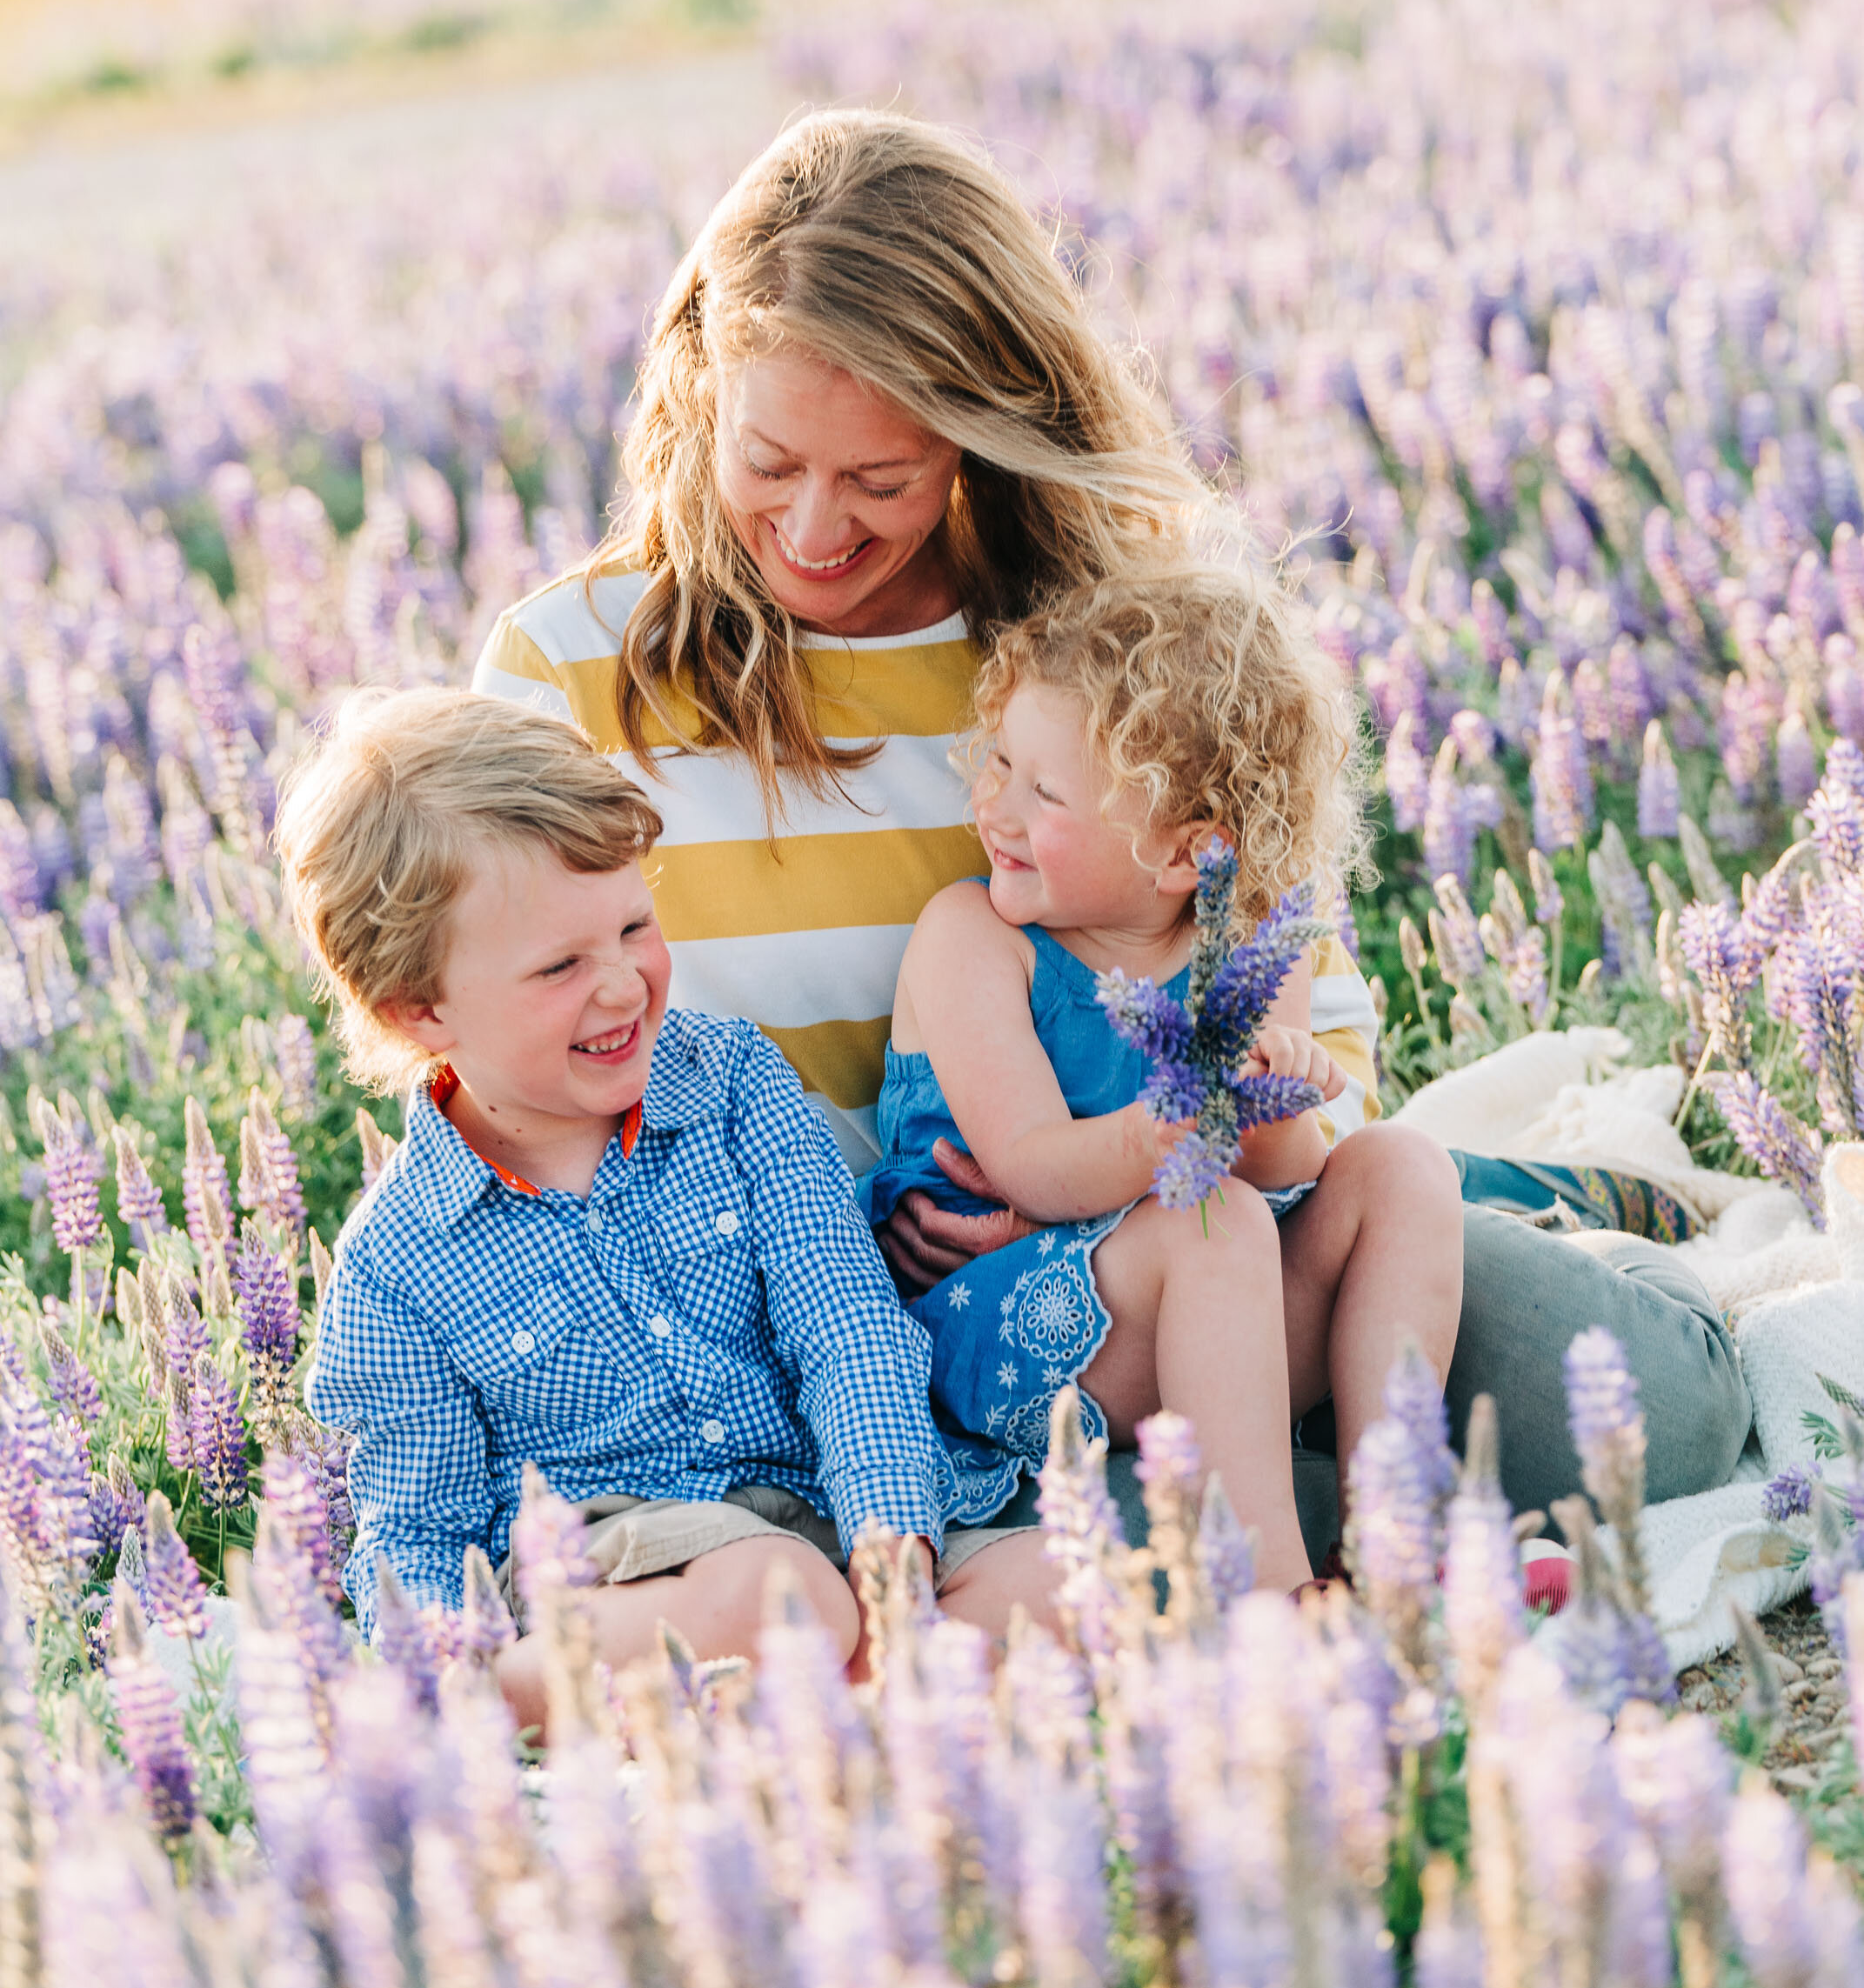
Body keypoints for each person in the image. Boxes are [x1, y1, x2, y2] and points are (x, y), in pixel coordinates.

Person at [475, 107, 1751, 1549]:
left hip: (1194, 1236)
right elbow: (498, 1066)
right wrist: (905, 1234)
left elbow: (1303, 1039)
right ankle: (1296, 1509)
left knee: (1670, 1413)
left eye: (881, 480)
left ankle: (1484, 1262)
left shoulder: (1102, 651)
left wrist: (1158, 1151)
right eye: (768, 462)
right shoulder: (569, 672)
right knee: (980, 1534)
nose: (815, 526)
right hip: (852, 1319)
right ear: (702, 392)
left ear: (977, 438)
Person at [277, 688, 1053, 1737]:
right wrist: (430, 1656)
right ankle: (503, 1704)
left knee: (1067, 1580)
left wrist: (891, 1533)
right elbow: (421, 1523)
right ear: (420, 1009)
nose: (622, 987)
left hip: (824, 1502)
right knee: (773, 1593)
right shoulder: (398, 1266)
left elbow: (845, 1326)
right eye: (559, 966)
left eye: (635, 927)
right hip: (633, 1566)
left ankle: (827, 1697)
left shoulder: (736, 1083)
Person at [865, 569, 1462, 1591]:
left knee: (1400, 1166)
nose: (993, 805)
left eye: (1041, 792)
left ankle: (1389, 1540)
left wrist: (1277, 1094)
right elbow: (1033, 1170)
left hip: (1209, 1317)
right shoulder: (973, 941)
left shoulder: (1244, 938)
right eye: (999, 762)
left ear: (1190, 854)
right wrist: (1169, 1128)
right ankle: (1266, 1592)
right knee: (1209, 1218)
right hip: (1016, 1331)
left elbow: (1280, 1175)